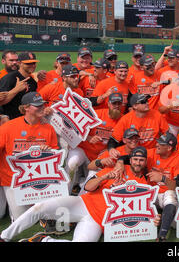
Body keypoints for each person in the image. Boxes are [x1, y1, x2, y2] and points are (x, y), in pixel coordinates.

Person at [0, 146, 151, 242]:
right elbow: (89, 186)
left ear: (145, 163)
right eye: (135, 159)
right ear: (130, 160)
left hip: (98, 222)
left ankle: (44, 240)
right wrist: (105, 177)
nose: (138, 163)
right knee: (40, 207)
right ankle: (4, 236)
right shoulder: (117, 170)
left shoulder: (144, 185)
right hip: (82, 204)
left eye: (141, 160)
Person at [0, 91, 58, 221]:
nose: (42, 107)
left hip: (37, 180)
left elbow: (55, 157)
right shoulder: (8, 127)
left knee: (45, 215)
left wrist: (48, 152)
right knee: (21, 219)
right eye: (37, 105)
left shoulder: (48, 128)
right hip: (12, 180)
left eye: (42, 104)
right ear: (26, 108)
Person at [68, 93, 124, 193]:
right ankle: (66, 193)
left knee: (91, 181)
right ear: (108, 104)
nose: (117, 106)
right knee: (72, 162)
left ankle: (81, 190)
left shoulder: (123, 120)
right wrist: (88, 138)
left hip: (101, 157)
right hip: (84, 150)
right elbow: (73, 130)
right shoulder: (96, 115)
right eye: (114, 103)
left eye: (119, 103)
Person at [0, 52, 39, 120]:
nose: (32, 65)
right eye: (28, 63)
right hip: (10, 120)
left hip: (25, 120)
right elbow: (1, 102)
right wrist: (16, 89)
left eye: (34, 63)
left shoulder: (33, 82)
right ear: (19, 63)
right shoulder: (9, 78)